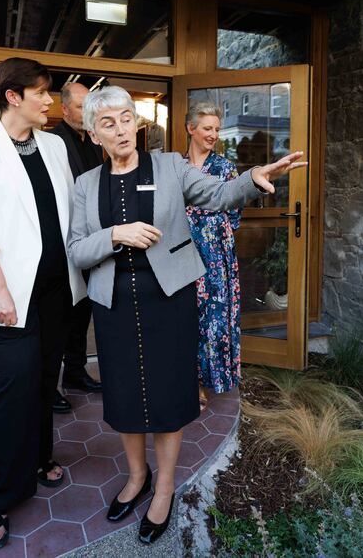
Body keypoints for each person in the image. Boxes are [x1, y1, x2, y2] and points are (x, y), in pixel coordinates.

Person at [67, 86, 306, 545]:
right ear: (93, 132)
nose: (120, 130)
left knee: (168, 395)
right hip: (114, 306)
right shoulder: (85, 185)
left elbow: (218, 195)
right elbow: (77, 250)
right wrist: (116, 233)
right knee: (124, 397)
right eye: (108, 123)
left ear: (137, 122)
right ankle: (136, 478)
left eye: (125, 118)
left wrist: (255, 176)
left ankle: (164, 487)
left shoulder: (171, 166)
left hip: (168, 301)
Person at [0, 57, 86, 549]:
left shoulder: (52, 145)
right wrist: (0, 290)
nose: (49, 101)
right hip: (5, 295)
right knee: (15, 386)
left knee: (45, 378)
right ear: (13, 97)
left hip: (56, 291)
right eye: (42, 93)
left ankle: (42, 455)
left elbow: (70, 213)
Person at [49, 82, 104, 415]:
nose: (88, 113)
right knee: (60, 317)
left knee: (82, 312)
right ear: (65, 108)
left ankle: (74, 371)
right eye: (83, 106)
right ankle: (50, 385)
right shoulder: (54, 142)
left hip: (89, 242)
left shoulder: (92, 142)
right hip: (64, 243)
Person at [184, 103, 242, 411]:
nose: (213, 135)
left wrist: (209, 229)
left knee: (214, 322)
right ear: (191, 129)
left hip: (216, 257)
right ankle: (188, 380)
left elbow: (234, 216)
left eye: (217, 129)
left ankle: (209, 382)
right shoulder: (177, 166)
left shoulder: (225, 168)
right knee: (186, 319)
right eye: (207, 128)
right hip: (181, 255)